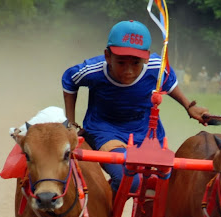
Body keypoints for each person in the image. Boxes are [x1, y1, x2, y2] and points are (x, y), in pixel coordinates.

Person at [62, 20, 208, 194]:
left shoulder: (157, 68)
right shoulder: (93, 71)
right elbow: (69, 79)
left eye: (136, 63)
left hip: (146, 132)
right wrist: (70, 123)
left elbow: (168, 81)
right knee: (129, 180)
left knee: (163, 187)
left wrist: (188, 106)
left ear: (146, 58)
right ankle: (105, 212)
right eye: (121, 63)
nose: (128, 70)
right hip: (105, 130)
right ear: (108, 56)